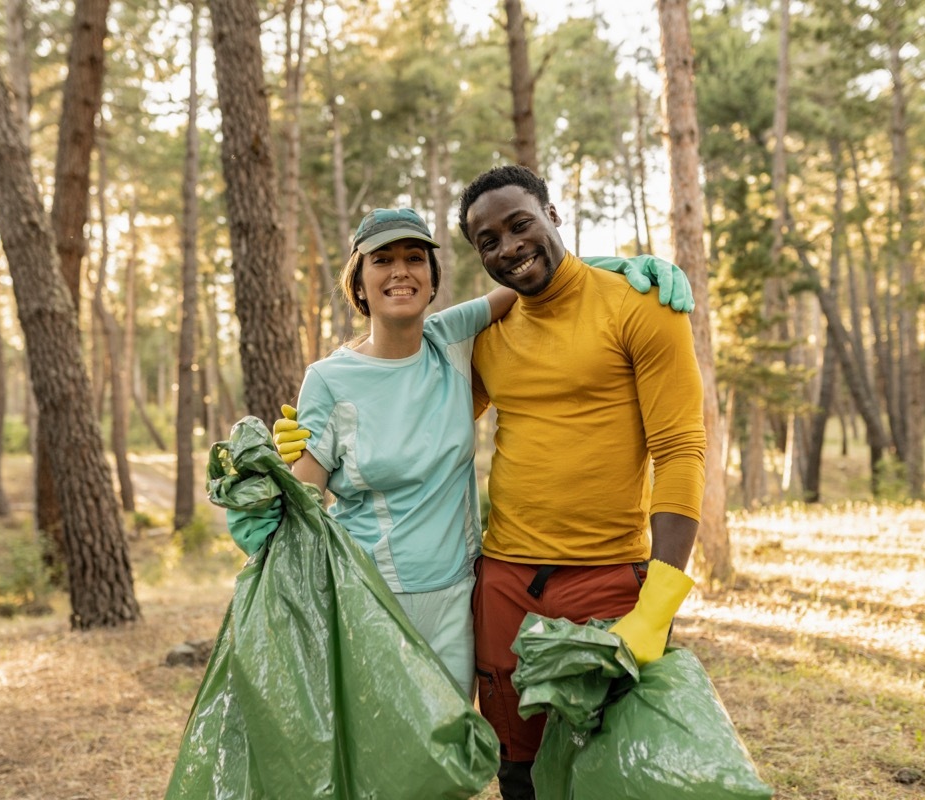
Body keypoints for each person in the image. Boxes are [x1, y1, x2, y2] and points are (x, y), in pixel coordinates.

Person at [229, 206, 692, 703]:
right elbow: (305, 497)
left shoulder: (452, 340)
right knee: (381, 754)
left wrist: (626, 266)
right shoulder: (327, 379)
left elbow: (531, 275)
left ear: (432, 281)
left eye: (414, 258)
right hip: (369, 596)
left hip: (458, 597)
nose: (400, 271)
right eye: (381, 260)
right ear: (358, 285)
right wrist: (264, 511)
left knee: (447, 755)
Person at [459, 164, 707, 800]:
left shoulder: (641, 306)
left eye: (521, 225)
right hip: (505, 579)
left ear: (553, 215)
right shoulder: (487, 334)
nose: (509, 247)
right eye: (489, 241)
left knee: (611, 766)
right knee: (517, 765)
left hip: (608, 577)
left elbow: (679, 448)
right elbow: (425, 425)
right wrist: (329, 428)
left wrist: (660, 599)